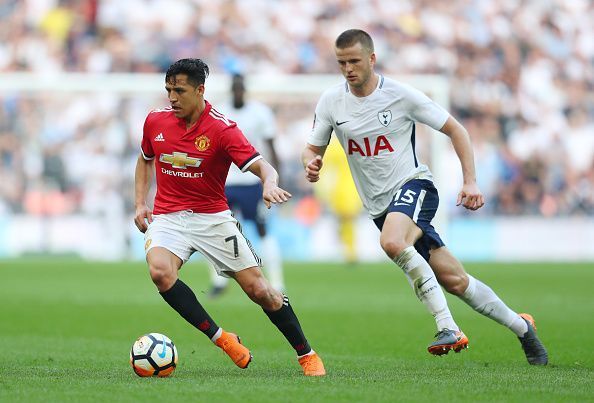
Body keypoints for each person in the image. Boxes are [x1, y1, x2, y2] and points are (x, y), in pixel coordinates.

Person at [301, 29, 548, 365]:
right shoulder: (331, 101)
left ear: (372, 59)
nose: (348, 68)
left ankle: (447, 326)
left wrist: (471, 181)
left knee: (391, 242)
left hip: (414, 185)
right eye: (341, 62)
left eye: (354, 61)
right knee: (456, 281)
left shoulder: (401, 96)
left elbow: (456, 129)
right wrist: (311, 163)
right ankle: (523, 329)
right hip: (380, 207)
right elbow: (311, 149)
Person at [134, 58, 325, 376]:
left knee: (262, 292)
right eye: (168, 90)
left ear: (200, 90)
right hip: (168, 217)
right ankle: (222, 338)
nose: (172, 98)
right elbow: (144, 160)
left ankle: (306, 354)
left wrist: (270, 182)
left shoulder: (222, 129)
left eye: (179, 91)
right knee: (160, 273)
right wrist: (140, 203)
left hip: (212, 218)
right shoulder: (155, 121)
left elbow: (263, 165)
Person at [207, 73, 285, 297]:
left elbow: (271, 147)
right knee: (217, 230)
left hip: (252, 181)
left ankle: (277, 282)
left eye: (241, 89)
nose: (238, 92)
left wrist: (274, 180)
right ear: (231, 90)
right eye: (235, 89)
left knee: (262, 229)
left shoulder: (260, 113)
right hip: (224, 182)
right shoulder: (219, 112)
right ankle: (219, 281)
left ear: (245, 90)